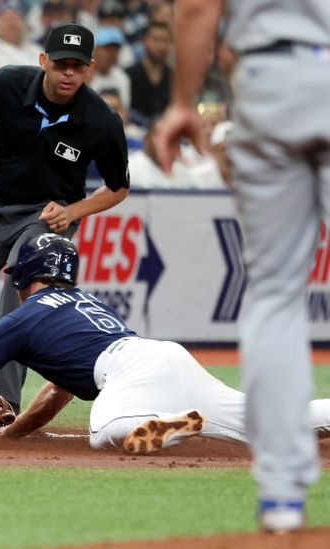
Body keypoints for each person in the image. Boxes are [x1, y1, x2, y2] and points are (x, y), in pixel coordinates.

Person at [0, 234, 330, 452]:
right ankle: (199, 418)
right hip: (164, 356)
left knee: (107, 431)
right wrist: (13, 433)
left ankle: (187, 423)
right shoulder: (86, 303)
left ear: (21, 276)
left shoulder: (22, 317)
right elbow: (58, 389)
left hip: (131, 374)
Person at [152, 0, 330, 534]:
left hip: (268, 75)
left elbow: (201, 5)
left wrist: (183, 101)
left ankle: (280, 495)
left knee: (274, 295)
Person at [0, 22, 130, 413]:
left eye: (78, 66)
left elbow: (118, 188)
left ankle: (4, 404)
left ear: (90, 69)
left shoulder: (101, 120)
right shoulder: (6, 84)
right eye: (61, 63)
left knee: (14, 304)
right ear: (42, 60)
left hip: (47, 218)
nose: (69, 73)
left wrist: (73, 211)